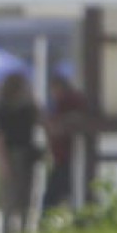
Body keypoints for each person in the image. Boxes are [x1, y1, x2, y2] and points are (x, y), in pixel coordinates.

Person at [0, 69, 43, 233]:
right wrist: (3, 162)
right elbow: (0, 138)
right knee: (15, 201)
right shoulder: (5, 108)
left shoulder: (25, 107)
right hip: (16, 154)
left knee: (20, 201)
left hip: (22, 155)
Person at [41, 71, 91, 213]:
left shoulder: (67, 103)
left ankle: (46, 225)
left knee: (51, 198)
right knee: (68, 194)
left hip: (67, 157)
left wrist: (46, 122)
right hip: (65, 157)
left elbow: (58, 129)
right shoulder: (69, 102)